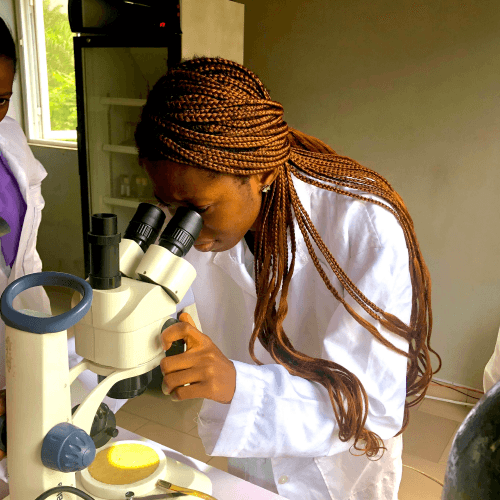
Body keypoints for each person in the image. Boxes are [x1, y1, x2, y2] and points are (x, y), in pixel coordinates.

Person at [134, 56, 443, 499]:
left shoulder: (364, 225)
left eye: (199, 210)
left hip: (342, 474)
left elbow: (373, 407)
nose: (185, 228)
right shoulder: (186, 213)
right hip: (254, 464)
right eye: (166, 203)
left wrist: (235, 382)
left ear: (258, 172)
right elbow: (127, 317)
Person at [0, 16, 127, 493]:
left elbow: (21, 244)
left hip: (21, 304)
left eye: (2, 98)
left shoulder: (8, 136)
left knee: (38, 431)